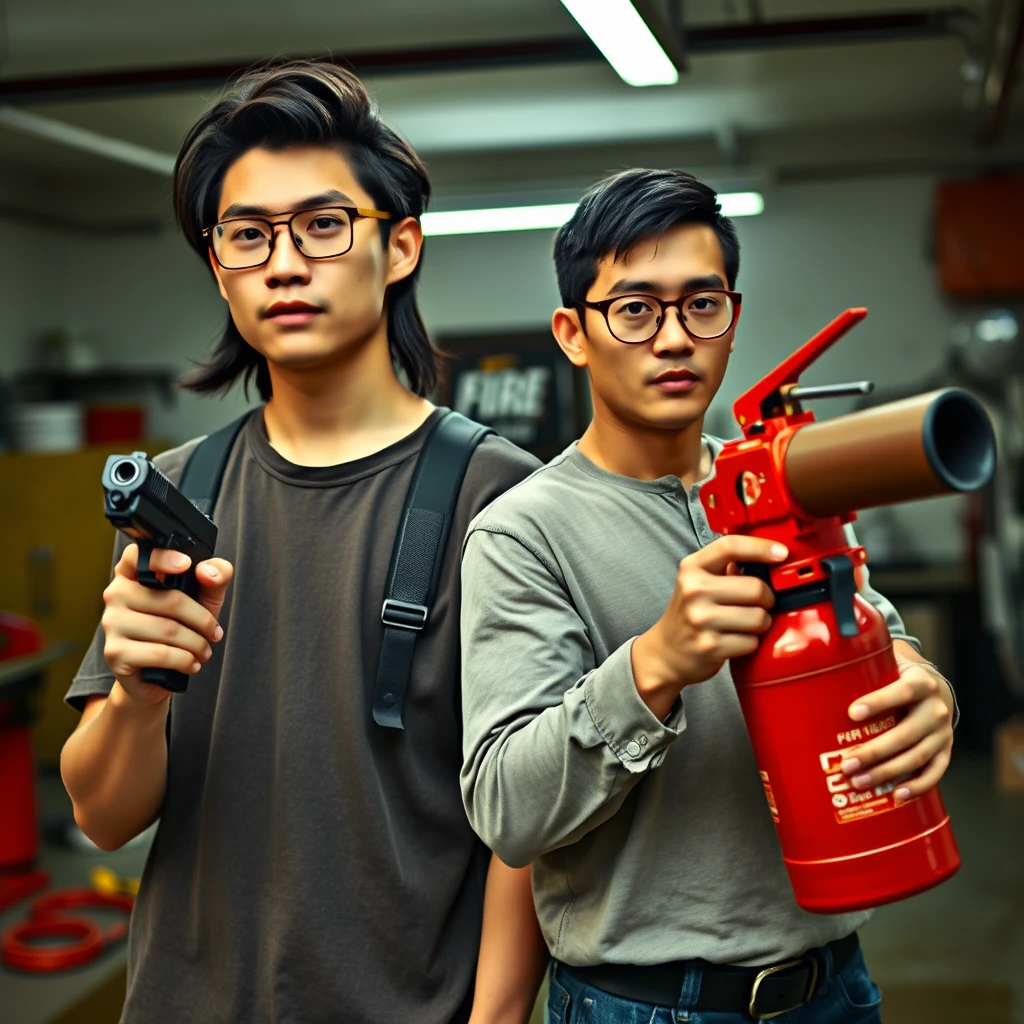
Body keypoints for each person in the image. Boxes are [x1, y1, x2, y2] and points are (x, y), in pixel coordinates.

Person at [60, 61, 546, 1024]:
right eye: (247, 236)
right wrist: (133, 695)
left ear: (399, 245)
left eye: (324, 226)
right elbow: (102, 816)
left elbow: (527, 830)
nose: (283, 263)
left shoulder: (505, 498)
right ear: (218, 266)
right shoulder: (181, 489)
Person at [459, 169, 957, 1024]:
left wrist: (924, 683)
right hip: (650, 1005)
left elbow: (882, 632)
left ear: (732, 316)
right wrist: (653, 666)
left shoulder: (778, 483)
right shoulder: (523, 533)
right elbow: (508, 808)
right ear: (573, 334)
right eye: (636, 309)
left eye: (701, 305)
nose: (674, 338)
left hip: (835, 985)